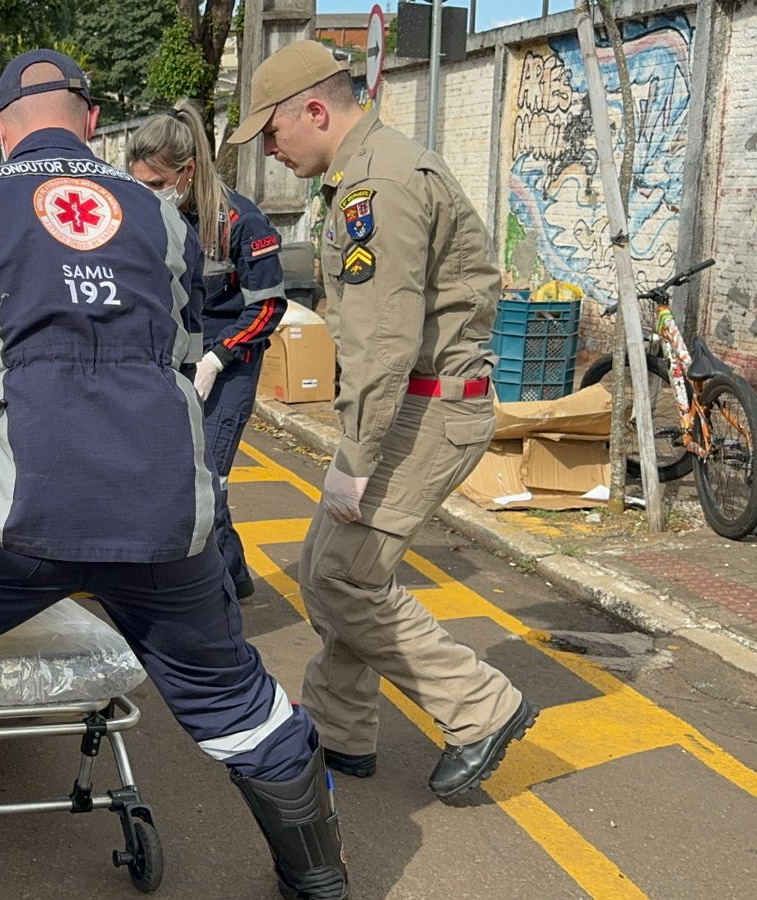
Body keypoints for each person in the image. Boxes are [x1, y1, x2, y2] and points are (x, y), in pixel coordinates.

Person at [0, 51, 347, 900]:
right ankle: (321, 882)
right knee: (238, 703)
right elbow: (182, 364)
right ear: (87, 120)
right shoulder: (164, 218)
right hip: (165, 514)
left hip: (17, 513)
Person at [228, 40, 537, 802]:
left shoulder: (376, 183)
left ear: (314, 108)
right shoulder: (365, 171)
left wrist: (354, 458)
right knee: (336, 567)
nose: (270, 147)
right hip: (416, 402)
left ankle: (480, 708)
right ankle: (339, 728)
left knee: (342, 578)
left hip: (423, 409)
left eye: (271, 131)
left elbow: (382, 340)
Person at [127, 101, 287, 601]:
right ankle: (234, 576)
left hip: (228, 364)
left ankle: (215, 596)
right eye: (138, 184)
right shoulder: (148, 217)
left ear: (187, 171)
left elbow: (268, 307)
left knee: (207, 481)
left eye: (155, 184)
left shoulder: (240, 221)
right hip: (173, 360)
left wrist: (218, 358)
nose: (146, 195)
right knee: (174, 475)